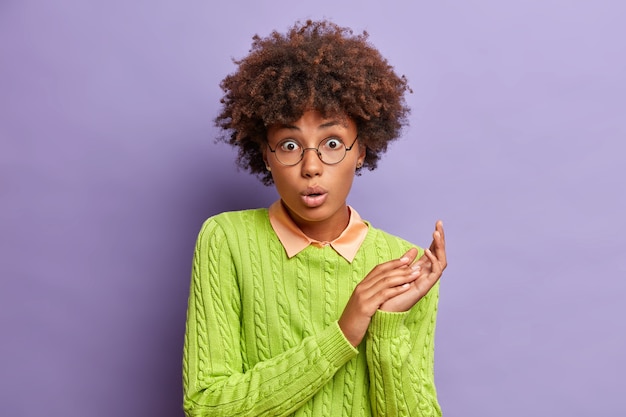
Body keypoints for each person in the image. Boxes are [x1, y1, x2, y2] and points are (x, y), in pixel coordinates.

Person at [183, 20, 447, 417]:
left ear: (362, 150)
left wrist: (387, 325)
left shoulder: (404, 266)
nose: (311, 166)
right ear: (266, 154)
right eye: (290, 144)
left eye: (333, 143)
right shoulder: (226, 239)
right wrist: (344, 332)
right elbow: (206, 406)